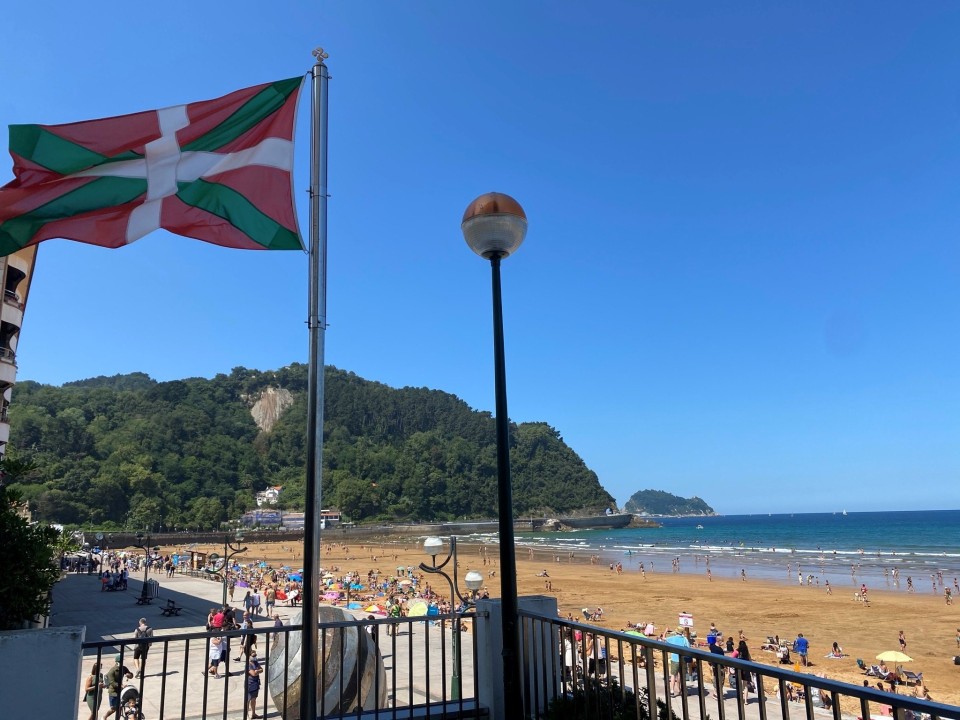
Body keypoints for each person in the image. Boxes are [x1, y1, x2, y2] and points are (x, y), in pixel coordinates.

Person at [101, 655, 133, 719]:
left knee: (120, 707)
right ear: (117, 662)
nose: (122, 663)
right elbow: (112, 682)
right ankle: (104, 717)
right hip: (113, 692)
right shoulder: (112, 671)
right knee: (114, 708)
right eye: (120, 661)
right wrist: (121, 685)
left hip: (121, 691)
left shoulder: (124, 668)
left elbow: (131, 675)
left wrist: (129, 675)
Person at [246, 650, 264, 718]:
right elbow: (253, 673)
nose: (255, 657)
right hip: (250, 683)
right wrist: (257, 671)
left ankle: (253, 713)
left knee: (254, 699)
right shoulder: (248, 664)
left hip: (256, 682)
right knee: (248, 699)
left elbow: (262, 669)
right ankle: (246, 715)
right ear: (249, 656)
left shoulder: (255, 662)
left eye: (255, 655)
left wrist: (257, 671)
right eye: (253, 656)